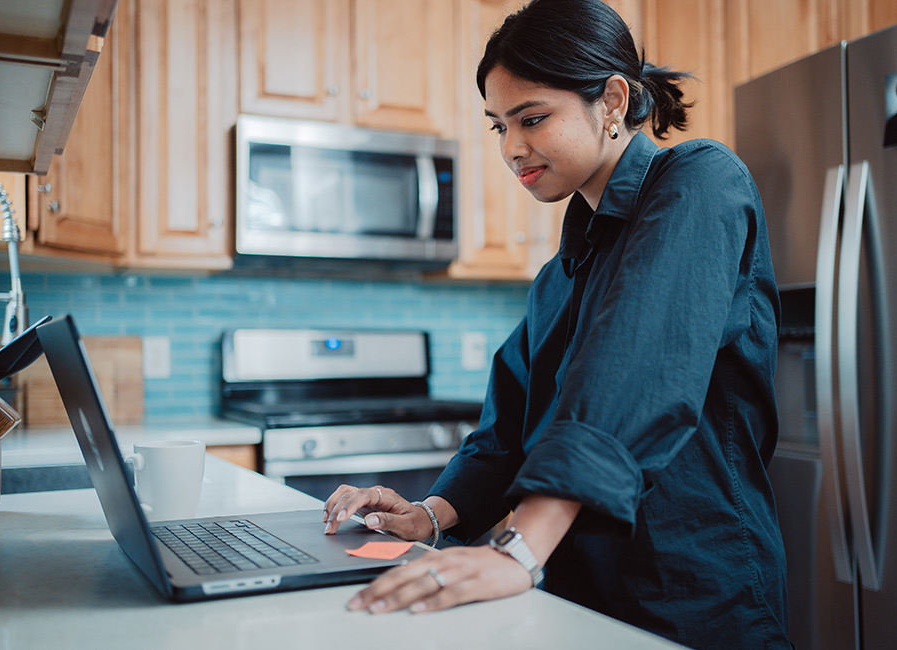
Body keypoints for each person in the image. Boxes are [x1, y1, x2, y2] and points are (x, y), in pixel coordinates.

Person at [323, 1, 791, 647]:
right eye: (498, 127)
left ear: (613, 101)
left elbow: (637, 367)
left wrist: (519, 548)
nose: (513, 149)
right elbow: (507, 434)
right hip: (576, 595)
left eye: (533, 118)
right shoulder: (560, 275)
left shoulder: (701, 180)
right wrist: (430, 515)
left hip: (692, 590)